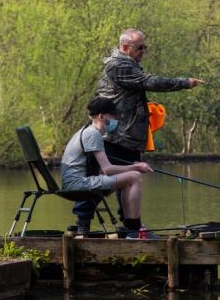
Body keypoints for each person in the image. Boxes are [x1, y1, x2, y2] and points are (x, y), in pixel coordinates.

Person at [92, 28, 203, 220]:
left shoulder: (128, 64)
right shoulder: (119, 66)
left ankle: (130, 226)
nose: (143, 51)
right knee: (112, 182)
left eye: (145, 47)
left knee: (127, 182)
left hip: (128, 137)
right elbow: (149, 81)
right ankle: (84, 220)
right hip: (117, 137)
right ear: (126, 47)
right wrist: (184, 83)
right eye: (140, 47)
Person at [61, 97, 154, 237]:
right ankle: (134, 229)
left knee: (128, 179)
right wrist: (136, 167)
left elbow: (101, 168)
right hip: (78, 185)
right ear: (101, 116)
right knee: (135, 177)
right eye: (113, 116)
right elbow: (108, 169)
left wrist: (130, 167)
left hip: (75, 182)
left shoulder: (85, 130)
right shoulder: (93, 134)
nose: (115, 120)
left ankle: (131, 229)